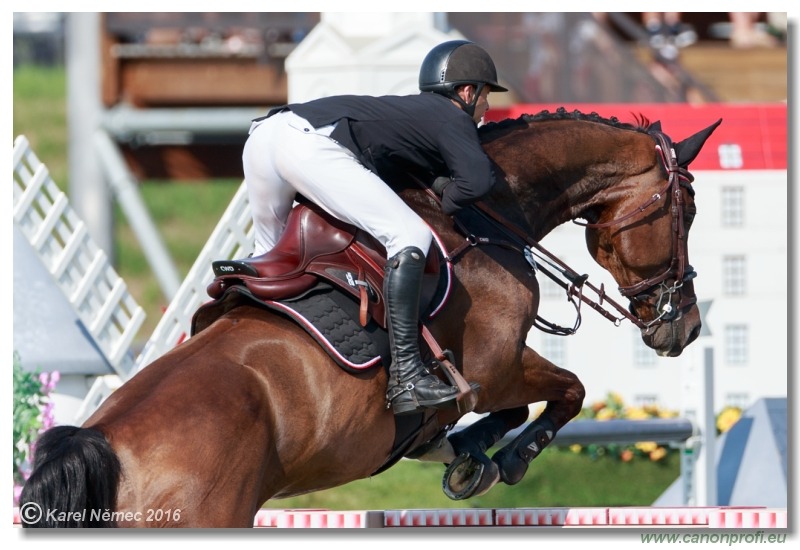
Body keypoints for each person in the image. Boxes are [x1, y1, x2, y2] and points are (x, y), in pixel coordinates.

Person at [242, 40, 508, 416]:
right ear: (467, 91)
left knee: (268, 260)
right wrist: (446, 197)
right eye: (485, 97)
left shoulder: (412, 113)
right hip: (307, 144)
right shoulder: (452, 117)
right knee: (410, 237)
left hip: (263, 135)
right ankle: (408, 377)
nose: (486, 109)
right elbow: (478, 182)